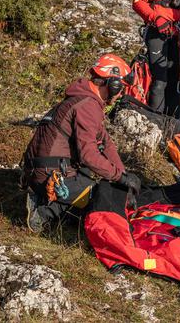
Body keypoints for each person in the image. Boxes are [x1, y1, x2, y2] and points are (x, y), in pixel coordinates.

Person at [23, 54, 141, 233]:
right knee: (104, 199)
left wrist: (124, 177)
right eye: (121, 88)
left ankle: (48, 200)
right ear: (112, 84)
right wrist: (121, 179)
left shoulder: (83, 99)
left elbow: (106, 144)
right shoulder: (88, 106)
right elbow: (88, 155)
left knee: (99, 191)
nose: (121, 94)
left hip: (42, 170)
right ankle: (44, 211)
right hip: (50, 176)